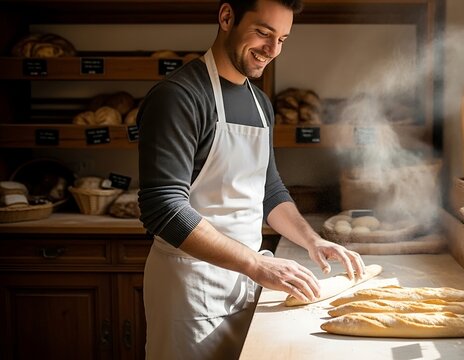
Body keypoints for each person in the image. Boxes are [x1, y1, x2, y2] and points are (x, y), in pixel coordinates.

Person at [137, 0, 366, 359]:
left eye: (283, 39)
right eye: (263, 33)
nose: (272, 50)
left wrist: (311, 240)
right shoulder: (178, 97)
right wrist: (257, 263)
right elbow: (162, 209)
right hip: (192, 291)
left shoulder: (260, 103)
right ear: (227, 17)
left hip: (247, 284)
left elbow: (269, 189)